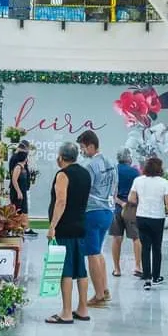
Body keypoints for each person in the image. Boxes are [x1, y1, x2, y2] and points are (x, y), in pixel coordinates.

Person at [45, 142, 92, 324]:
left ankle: (66, 312)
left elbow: (61, 201)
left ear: (60, 157)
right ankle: (82, 308)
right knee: (80, 269)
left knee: (65, 270)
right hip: (80, 225)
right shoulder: (85, 173)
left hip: (65, 227)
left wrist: (52, 226)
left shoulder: (63, 174)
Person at [76, 130, 115, 307]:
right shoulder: (111, 163)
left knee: (91, 254)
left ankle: (98, 296)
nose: (82, 151)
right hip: (108, 211)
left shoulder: (91, 166)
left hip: (92, 212)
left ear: (91, 146)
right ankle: (104, 289)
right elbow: (114, 188)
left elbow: (83, 190)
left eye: (83, 148)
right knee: (98, 251)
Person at [129, 157, 168, 290]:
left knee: (145, 247)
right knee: (156, 247)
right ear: (160, 168)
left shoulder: (138, 180)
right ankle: (156, 276)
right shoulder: (164, 182)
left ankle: (147, 278)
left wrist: (142, 203)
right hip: (157, 218)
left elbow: (131, 198)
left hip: (142, 217)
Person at [109, 148, 142, 278]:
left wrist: (119, 203)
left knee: (117, 238)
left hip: (116, 208)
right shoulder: (135, 172)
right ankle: (138, 267)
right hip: (132, 208)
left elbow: (111, 191)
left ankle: (117, 269)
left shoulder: (113, 171)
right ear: (129, 158)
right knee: (136, 237)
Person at [8, 140, 38, 236]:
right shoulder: (17, 162)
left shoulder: (19, 161)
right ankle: (20, 227)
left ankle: (23, 227)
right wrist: (19, 191)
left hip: (23, 187)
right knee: (19, 208)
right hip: (19, 188)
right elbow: (14, 178)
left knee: (23, 208)